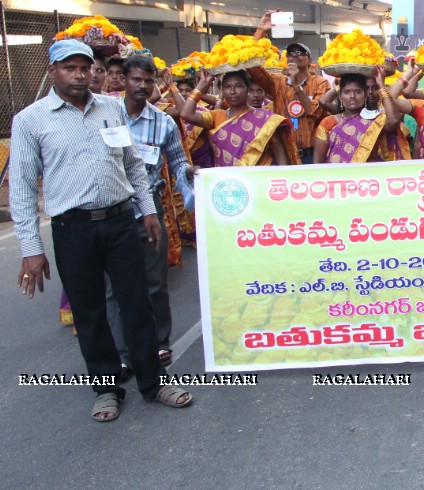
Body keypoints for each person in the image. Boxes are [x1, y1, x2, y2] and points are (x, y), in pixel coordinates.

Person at [10, 39, 192, 422]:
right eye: (69, 68)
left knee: (137, 302)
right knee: (89, 312)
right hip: (72, 229)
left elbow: (132, 167)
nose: (79, 75)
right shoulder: (30, 121)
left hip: (121, 222)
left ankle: (152, 382)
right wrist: (31, 247)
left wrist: (148, 214)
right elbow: (23, 188)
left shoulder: (111, 108)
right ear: (52, 72)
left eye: (85, 67)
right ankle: (107, 389)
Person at [105, 54, 195, 376]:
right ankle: (122, 353)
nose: (143, 86)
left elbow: (179, 162)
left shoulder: (164, 122)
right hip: (111, 211)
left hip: (149, 210)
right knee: (115, 287)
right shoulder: (103, 116)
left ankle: (160, 342)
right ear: (123, 80)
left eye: (149, 80)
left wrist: (194, 178)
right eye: (136, 80)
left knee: (154, 281)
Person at [251, 12, 331, 163]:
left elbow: (314, 110)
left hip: (310, 154)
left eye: (300, 53)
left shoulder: (320, 83)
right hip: (282, 154)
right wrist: (260, 32)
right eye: (291, 53)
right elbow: (252, 68)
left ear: (309, 60)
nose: (295, 55)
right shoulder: (277, 82)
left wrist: (296, 86)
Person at [176, 69, 299, 166]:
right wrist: (200, 87)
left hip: (259, 184)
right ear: (223, 90)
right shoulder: (217, 116)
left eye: (238, 86)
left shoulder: (265, 119)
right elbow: (186, 114)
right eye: (227, 87)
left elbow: (279, 155)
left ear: (247, 90)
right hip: (229, 185)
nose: (232, 91)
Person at [313, 69, 410, 163]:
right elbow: (318, 161)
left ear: (365, 96)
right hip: (337, 177)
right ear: (340, 96)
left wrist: (381, 85)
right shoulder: (327, 123)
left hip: (367, 177)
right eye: (346, 92)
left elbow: (393, 121)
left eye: (358, 92)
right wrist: (340, 84)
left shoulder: (375, 119)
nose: (352, 96)